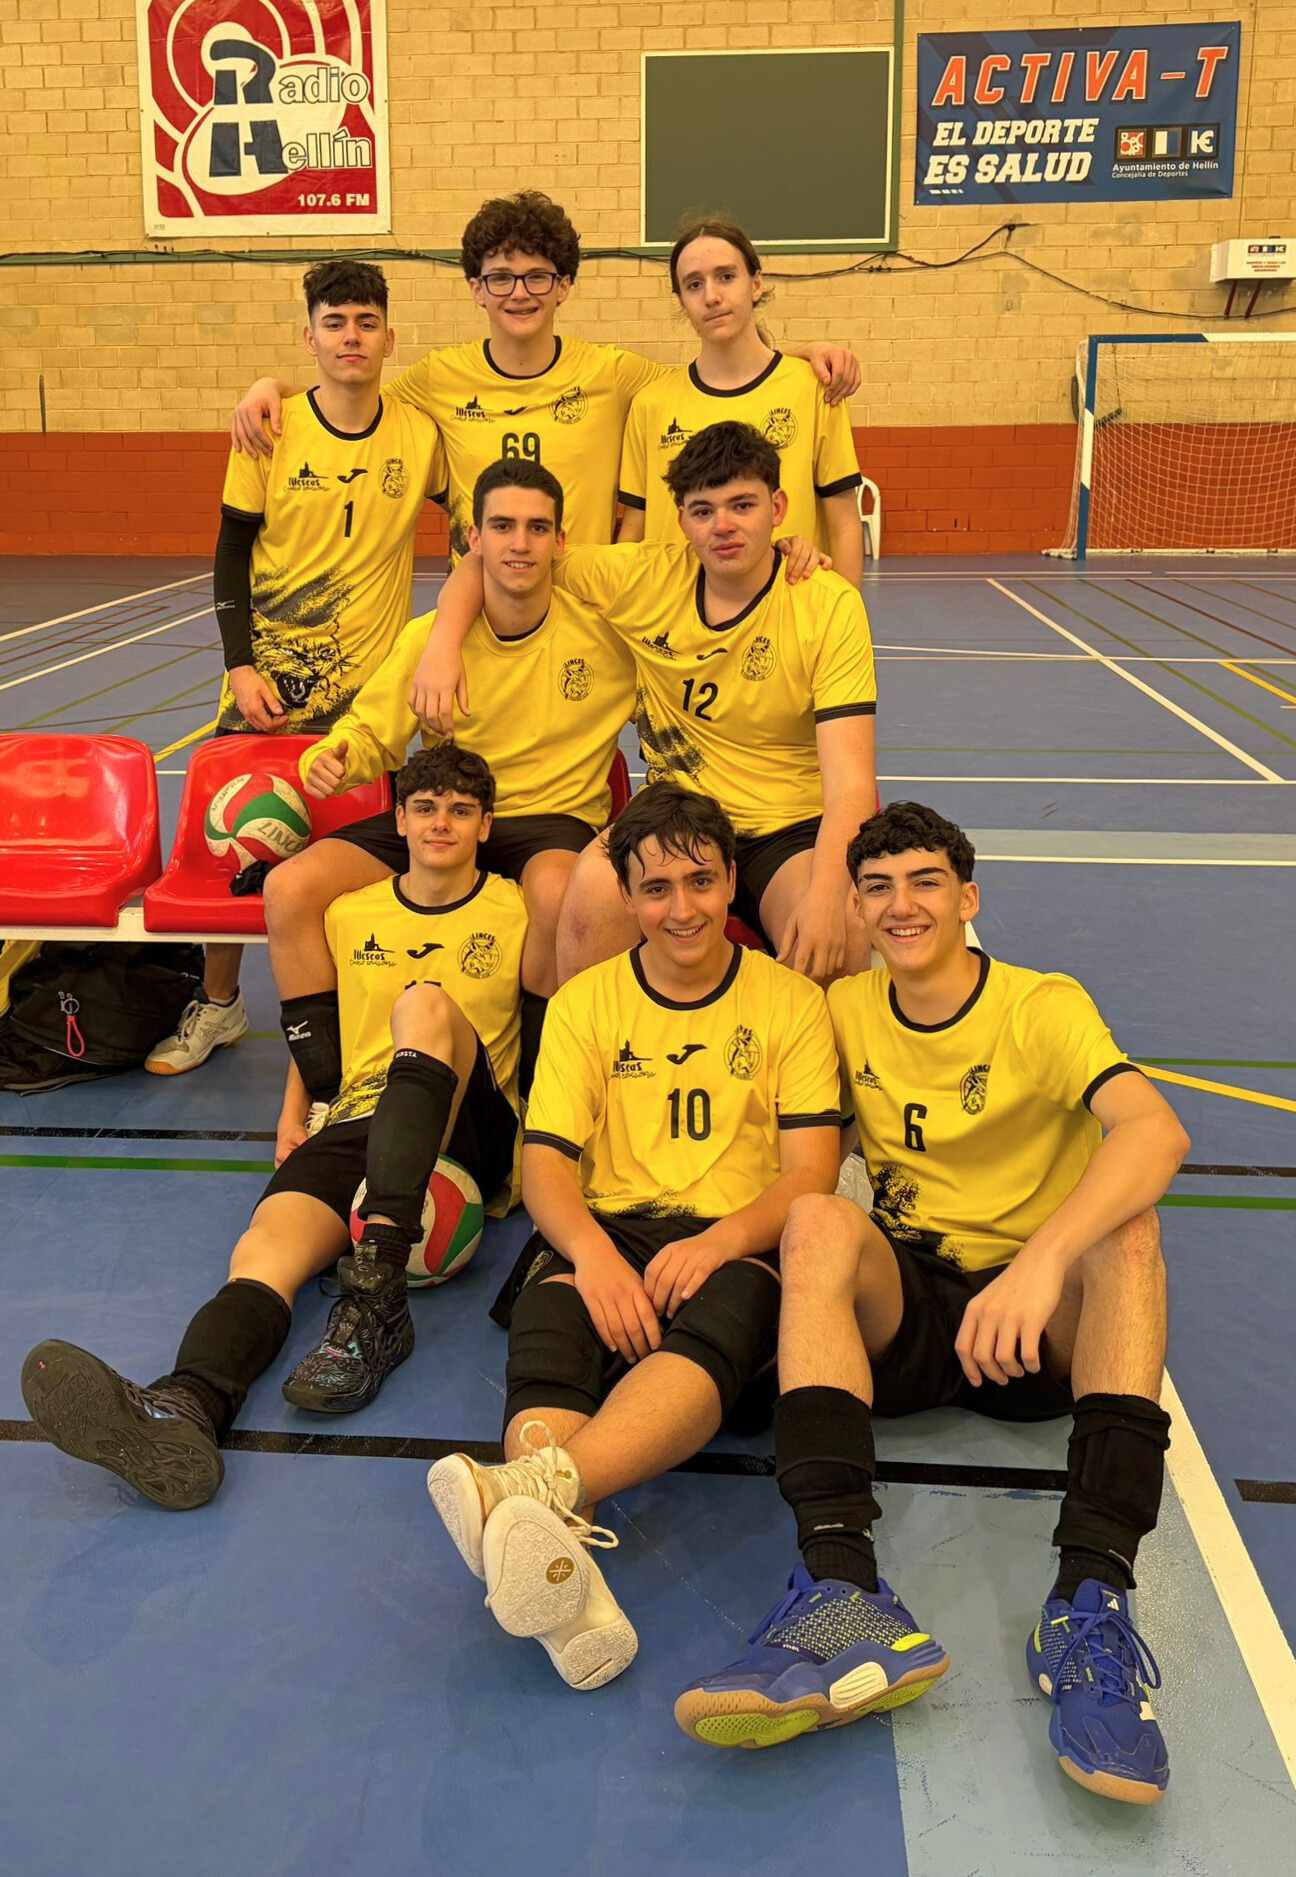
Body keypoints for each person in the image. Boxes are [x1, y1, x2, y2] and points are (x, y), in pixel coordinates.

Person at [675, 801, 1189, 1808]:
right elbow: (786, 1144)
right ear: (858, 908)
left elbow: (1156, 1131)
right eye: (877, 886)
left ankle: (1090, 1603)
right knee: (817, 1219)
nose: (900, 904)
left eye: (924, 881)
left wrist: (1041, 1262)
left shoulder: (1042, 1005)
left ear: (968, 898)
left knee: (1130, 1232)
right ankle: (843, 1589)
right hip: (913, 1315)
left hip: (1031, 1328)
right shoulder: (843, 1009)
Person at [22, 746, 528, 1508]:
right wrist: (293, 1112)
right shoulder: (352, 912)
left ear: (486, 825)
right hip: (360, 1111)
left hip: (465, 1122)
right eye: (425, 808)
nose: (441, 823)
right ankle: (188, 1402)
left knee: (422, 1002)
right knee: (263, 1253)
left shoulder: (518, 909)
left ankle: (376, 1298)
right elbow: (326, 1027)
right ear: (399, 819)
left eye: (461, 811)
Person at [426, 783, 842, 1690]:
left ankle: (529, 1487)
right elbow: (546, 1165)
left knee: (722, 1319)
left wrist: (721, 1241)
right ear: (626, 895)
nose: (681, 908)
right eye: (655, 888)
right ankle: (577, 1603)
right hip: (610, 1227)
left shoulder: (791, 1002)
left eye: (700, 881)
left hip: (737, 1237)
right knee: (549, 1325)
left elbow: (811, 1173)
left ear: (731, 880)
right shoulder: (586, 1002)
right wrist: (594, 1256)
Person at [261, 458, 636, 1164]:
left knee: (558, 892)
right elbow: (372, 731)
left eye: (537, 528)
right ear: (474, 540)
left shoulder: (607, 638)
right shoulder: (431, 638)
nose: (520, 543)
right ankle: (332, 1093)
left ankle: (541, 1099)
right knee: (290, 889)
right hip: (447, 813)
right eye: (503, 526)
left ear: (561, 541)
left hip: (549, 819)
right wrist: (336, 754)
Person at [415, 420, 877, 985]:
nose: (723, 526)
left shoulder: (829, 606)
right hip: (677, 811)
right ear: (681, 519)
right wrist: (442, 641)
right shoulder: (644, 576)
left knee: (841, 933)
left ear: (778, 508)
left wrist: (827, 897)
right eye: (703, 510)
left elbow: (852, 784)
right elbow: (500, 558)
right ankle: (585, 1040)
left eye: (743, 506)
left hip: (786, 827)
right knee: (591, 889)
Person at [147, 259, 446, 1077]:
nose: (352, 337)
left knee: (365, 858)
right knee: (230, 845)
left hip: (369, 702)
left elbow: (474, 521)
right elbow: (229, 554)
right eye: (334, 322)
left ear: (390, 336)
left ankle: (360, 1008)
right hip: (266, 688)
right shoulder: (270, 429)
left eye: (366, 322)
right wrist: (239, 666)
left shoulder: (419, 435)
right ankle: (219, 1002)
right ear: (308, 337)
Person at [230, 191, 860, 560]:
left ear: (565, 285)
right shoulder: (437, 378)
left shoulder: (616, 374)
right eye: (501, 277)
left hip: (583, 618)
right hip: (482, 613)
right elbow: (349, 398)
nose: (519, 293)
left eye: (537, 276)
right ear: (476, 288)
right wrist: (273, 388)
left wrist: (801, 356)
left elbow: (715, 378)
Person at [618, 215, 863, 585]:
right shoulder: (650, 404)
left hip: (785, 607)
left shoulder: (813, 388)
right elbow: (633, 534)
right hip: (676, 613)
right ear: (682, 302)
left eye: (726, 276)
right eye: (694, 284)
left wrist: (848, 615)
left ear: (756, 284)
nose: (711, 296)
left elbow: (844, 525)